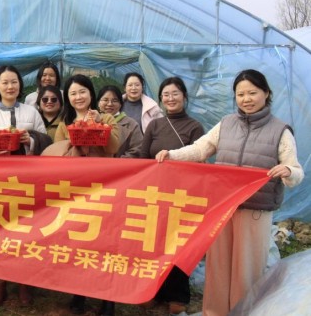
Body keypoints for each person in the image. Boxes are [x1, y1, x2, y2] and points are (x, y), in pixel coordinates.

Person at [155, 69, 304, 316]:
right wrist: (172, 155)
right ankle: (214, 312)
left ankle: (243, 311)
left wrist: (288, 170)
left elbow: (296, 171)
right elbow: (200, 149)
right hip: (223, 207)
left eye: (252, 93)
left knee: (247, 268)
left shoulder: (280, 131)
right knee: (218, 265)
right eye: (240, 94)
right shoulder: (226, 124)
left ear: (266, 93)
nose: (246, 99)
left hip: (255, 210)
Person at [45, 74, 119, 316]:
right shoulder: (63, 125)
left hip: (104, 187)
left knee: (105, 242)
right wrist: (74, 140)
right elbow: (57, 157)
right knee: (77, 242)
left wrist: (98, 125)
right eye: (73, 93)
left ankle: (108, 298)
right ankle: (79, 292)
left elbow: (114, 147)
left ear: (91, 94)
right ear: (68, 97)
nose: (78, 97)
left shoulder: (106, 118)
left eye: (82, 92)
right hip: (75, 189)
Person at [0, 65, 47, 307]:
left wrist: (31, 140)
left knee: (26, 232)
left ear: (20, 84)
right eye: (4, 82)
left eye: (14, 81)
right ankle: (0, 282)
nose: (10, 86)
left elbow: (45, 140)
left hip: (26, 181)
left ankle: (24, 282)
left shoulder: (31, 112)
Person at [139, 76, 204, 315]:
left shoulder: (195, 127)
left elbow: (199, 159)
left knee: (177, 245)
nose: (170, 98)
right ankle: (153, 290)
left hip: (181, 195)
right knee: (153, 243)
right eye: (165, 95)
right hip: (155, 194)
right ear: (160, 99)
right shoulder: (155, 125)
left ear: (184, 97)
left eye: (175, 93)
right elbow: (143, 157)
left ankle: (177, 294)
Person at [96, 85, 143, 158]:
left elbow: (137, 150)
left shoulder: (132, 125)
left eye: (114, 101)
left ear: (120, 104)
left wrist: (118, 162)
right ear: (98, 103)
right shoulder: (91, 121)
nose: (110, 104)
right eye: (105, 100)